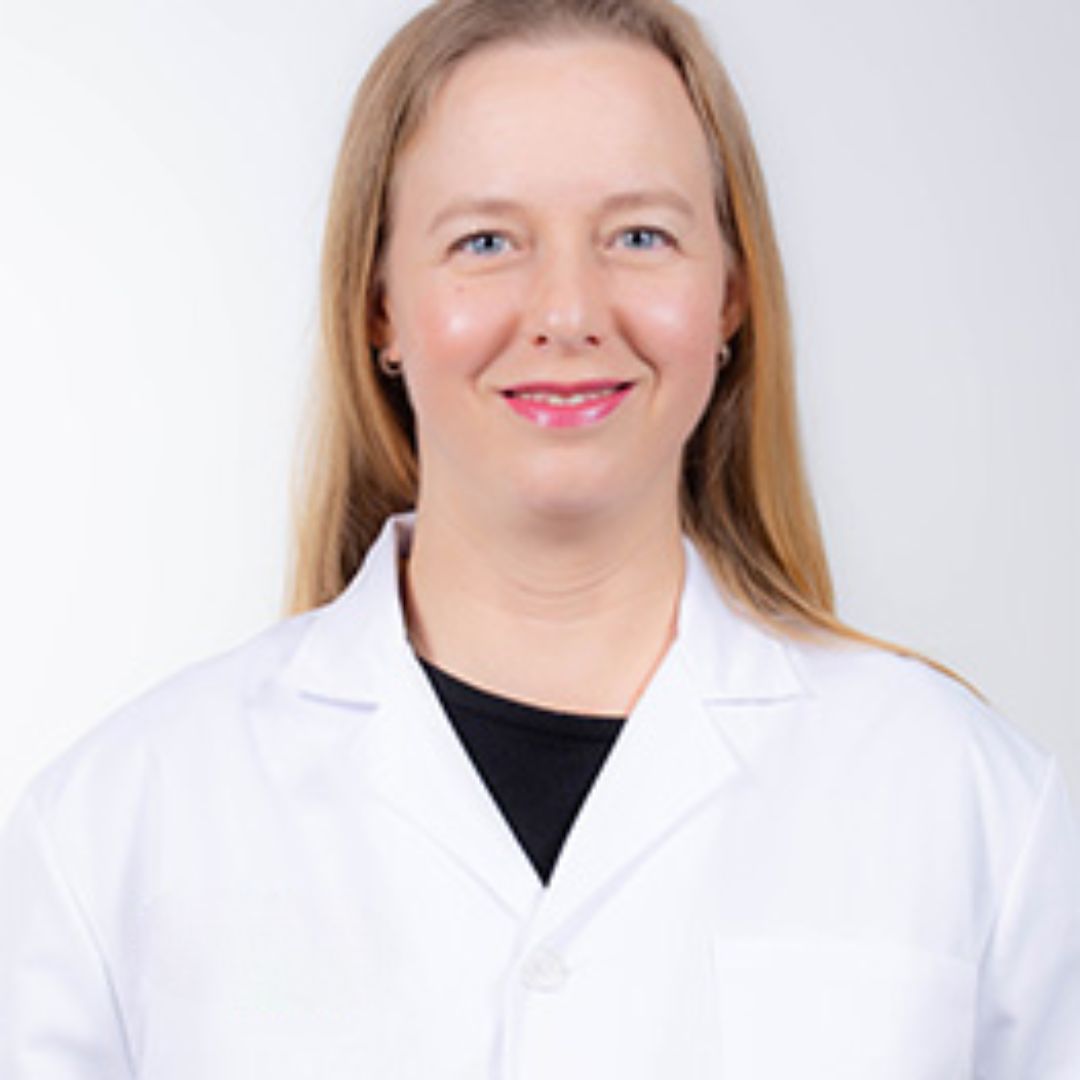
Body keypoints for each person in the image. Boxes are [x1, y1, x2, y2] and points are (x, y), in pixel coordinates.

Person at [2, 0, 1078, 1075]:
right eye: (485, 241)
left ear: (731, 294)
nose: (568, 312)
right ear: (379, 305)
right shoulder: (119, 830)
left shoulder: (968, 809)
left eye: (641, 236)